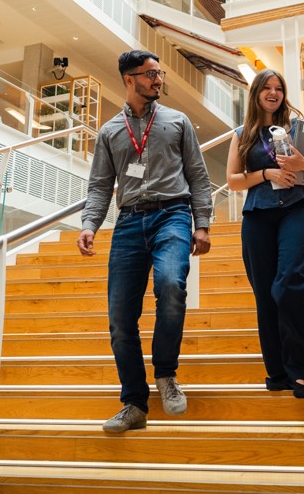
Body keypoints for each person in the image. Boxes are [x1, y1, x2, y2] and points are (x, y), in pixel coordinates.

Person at [78, 50, 213, 433]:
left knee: (171, 284)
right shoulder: (110, 131)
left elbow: (199, 176)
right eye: (151, 74)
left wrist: (201, 224)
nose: (158, 80)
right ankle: (134, 403)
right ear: (129, 78)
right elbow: (100, 185)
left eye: (159, 73)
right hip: (129, 223)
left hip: (172, 214)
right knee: (120, 318)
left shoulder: (177, 121)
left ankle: (166, 374)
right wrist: (90, 223)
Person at [225, 70, 304, 399]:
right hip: (258, 217)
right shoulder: (242, 134)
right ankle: (277, 372)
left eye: (279, 89)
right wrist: (266, 172)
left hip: (296, 210)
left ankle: (301, 371)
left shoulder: (300, 129)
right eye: (267, 88)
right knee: (265, 297)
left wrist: (302, 162)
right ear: (256, 94)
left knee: (289, 284)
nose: (273, 93)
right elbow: (233, 179)